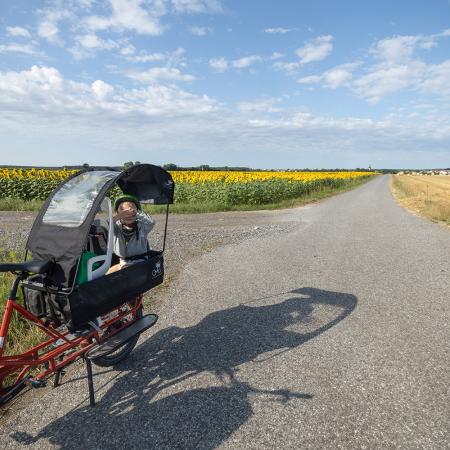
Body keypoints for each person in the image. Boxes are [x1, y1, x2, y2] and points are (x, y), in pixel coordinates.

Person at [106, 194, 155, 274]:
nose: (128, 215)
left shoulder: (142, 227)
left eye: (131, 212)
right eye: (124, 212)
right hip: (123, 262)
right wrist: (119, 216)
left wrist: (137, 213)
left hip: (140, 262)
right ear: (118, 213)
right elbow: (107, 224)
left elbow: (151, 222)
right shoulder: (116, 227)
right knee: (104, 276)